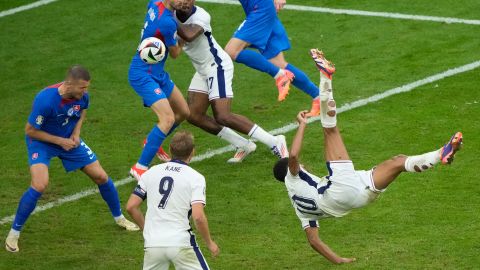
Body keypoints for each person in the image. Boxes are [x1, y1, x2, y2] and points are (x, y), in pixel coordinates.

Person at [272, 53, 463, 264]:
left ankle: (441, 154)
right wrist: (302, 125)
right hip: (339, 191)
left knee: (398, 162)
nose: (302, 165)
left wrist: (339, 261)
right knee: (330, 131)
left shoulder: (299, 209)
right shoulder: (292, 177)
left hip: (357, 199)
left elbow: (314, 241)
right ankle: (326, 76)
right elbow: (294, 156)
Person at [5, 65, 139, 253]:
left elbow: (82, 111)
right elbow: (30, 131)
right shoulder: (45, 100)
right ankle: (14, 233)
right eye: (83, 87)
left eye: (87, 87)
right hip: (42, 141)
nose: (86, 91)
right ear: (69, 84)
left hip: (69, 140)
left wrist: (76, 133)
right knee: (40, 184)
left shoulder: (82, 97)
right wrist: (59, 141)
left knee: (101, 176)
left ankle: (119, 218)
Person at [174, 1, 288, 162]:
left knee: (223, 115)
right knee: (193, 115)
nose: (185, 2)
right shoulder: (171, 14)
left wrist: (166, 19)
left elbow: (188, 35)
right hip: (202, 70)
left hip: (217, 66)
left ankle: (275, 141)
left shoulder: (201, 16)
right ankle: (243, 144)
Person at [224, 0, 336, 117]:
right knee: (278, 63)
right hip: (259, 9)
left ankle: (280, 75)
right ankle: (320, 97)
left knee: (232, 50)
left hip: (261, 8)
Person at [126, 131, 219, 270]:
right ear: (192, 152)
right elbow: (198, 217)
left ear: (170, 149)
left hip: (153, 243)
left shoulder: (151, 172)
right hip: (180, 243)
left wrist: (147, 231)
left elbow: (131, 206)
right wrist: (210, 243)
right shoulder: (195, 178)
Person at [128, 0, 193, 180]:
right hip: (143, 75)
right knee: (168, 118)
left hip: (157, 72)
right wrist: (184, 39)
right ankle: (140, 167)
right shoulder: (167, 22)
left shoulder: (155, 3)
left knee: (183, 112)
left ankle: (152, 142)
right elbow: (175, 54)